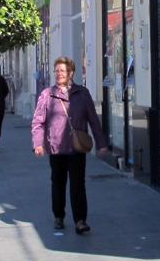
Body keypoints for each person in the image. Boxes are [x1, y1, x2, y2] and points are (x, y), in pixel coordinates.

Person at [31, 56, 107, 234]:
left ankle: (80, 220)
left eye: (62, 71)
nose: (59, 74)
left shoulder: (82, 93)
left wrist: (101, 143)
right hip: (56, 147)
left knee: (78, 184)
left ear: (71, 73)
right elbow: (38, 122)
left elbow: (93, 120)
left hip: (76, 147)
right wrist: (38, 144)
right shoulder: (47, 94)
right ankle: (59, 216)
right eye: (56, 71)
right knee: (58, 183)